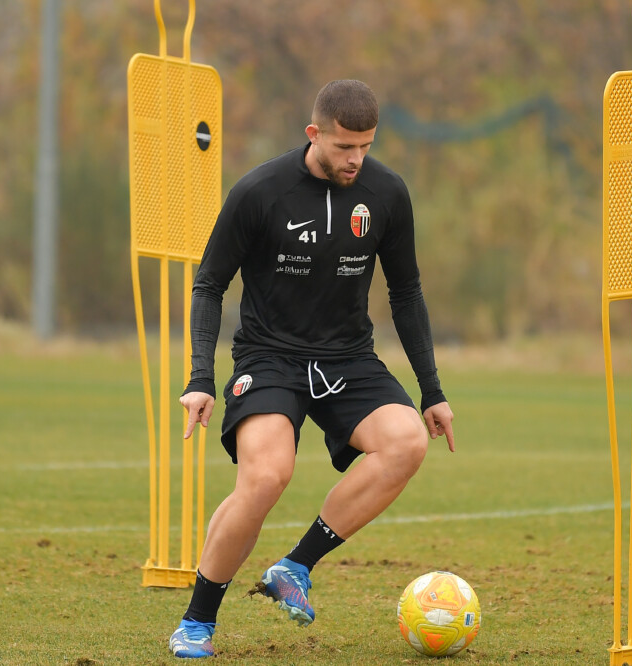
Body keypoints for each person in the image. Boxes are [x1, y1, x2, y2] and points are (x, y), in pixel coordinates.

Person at [168, 79, 455, 659]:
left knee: (405, 443)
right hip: (269, 357)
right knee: (268, 476)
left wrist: (432, 390)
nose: (356, 159)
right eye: (345, 146)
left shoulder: (387, 194)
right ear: (314, 134)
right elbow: (208, 285)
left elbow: (407, 292)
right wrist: (200, 378)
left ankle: (295, 567)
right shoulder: (260, 191)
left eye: (365, 147)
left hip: (348, 358)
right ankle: (198, 620)